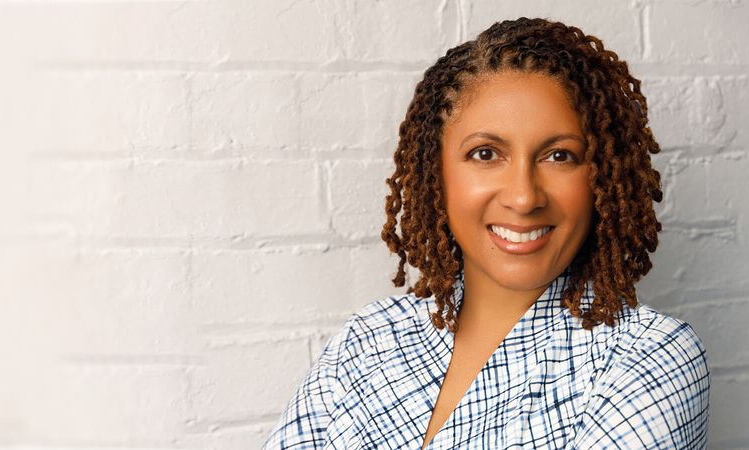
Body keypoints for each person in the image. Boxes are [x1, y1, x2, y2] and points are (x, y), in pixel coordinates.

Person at [263, 17, 710, 450]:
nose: (523, 197)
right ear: (437, 173)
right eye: (485, 154)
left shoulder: (649, 355)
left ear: (602, 179)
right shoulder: (370, 338)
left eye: (559, 156)